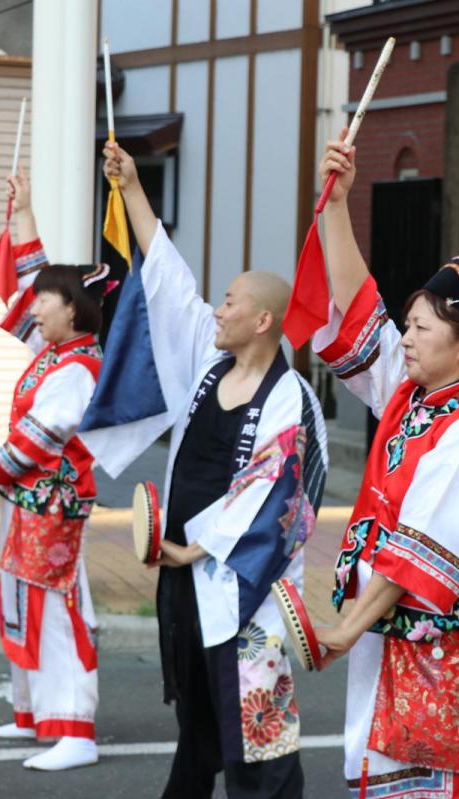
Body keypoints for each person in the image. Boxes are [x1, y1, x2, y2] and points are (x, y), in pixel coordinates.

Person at [81, 144, 328, 798]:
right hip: (186, 578)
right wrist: (131, 186)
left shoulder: (287, 398)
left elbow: (283, 495)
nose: (218, 310)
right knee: (198, 722)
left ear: (263, 320)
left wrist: (196, 545)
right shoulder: (209, 361)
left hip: (246, 592)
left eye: (230, 301)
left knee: (259, 737)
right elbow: (166, 277)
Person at [308, 127, 459, 797]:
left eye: (422, 328)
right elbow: (358, 304)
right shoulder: (411, 398)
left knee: (436, 787)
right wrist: (338, 204)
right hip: (391, 631)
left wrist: (345, 626)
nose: (404, 337)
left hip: (435, 648)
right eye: (408, 324)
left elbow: (418, 549)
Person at [0, 170, 104, 771]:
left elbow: (38, 441)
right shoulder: (57, 351)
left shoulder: (78, 366)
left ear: (75, 308)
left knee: (58, 605)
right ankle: (38, 715)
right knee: (23, 598)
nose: (33, 306)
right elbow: (26, 285)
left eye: (46, 299)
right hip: (29, 501)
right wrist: (25, 215)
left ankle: (77, 730)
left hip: (55, 503)